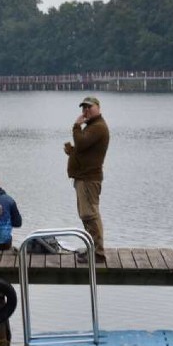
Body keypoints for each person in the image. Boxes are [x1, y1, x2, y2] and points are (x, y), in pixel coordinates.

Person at [64, 96, 110, 263]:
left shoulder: (98, 127)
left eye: (89, 107)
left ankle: (98, 254)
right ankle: (92, 248)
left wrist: (76, 125)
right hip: (84, 178)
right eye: (83, 108)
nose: (85, 111)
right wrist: (73, 152)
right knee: (86, 215)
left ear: (98, 107)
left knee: (90, 215)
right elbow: (84, 149)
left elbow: (82, 143)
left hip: (89, 179)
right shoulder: (92, 126)